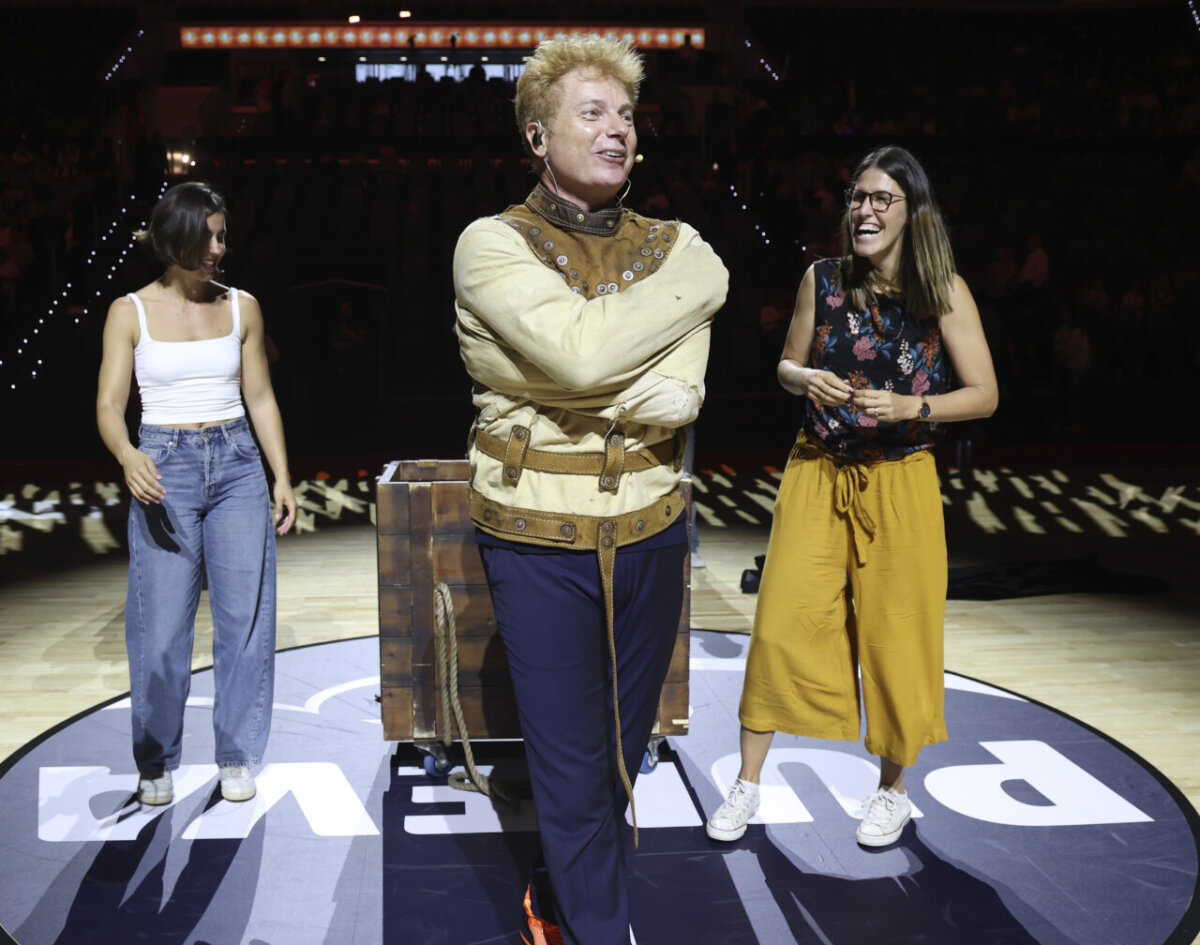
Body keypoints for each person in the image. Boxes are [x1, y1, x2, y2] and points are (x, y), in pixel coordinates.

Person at [453, 35, 728, 945]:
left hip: (651, 525)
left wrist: (574, 380)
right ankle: (600, 930)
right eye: (593, 112)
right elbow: (579, 353)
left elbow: (678, 388)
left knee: (617, 752)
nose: (619, 130)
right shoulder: (489, 243)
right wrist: (602, 366)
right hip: (538, 534)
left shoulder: (684, 245)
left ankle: (560, 892)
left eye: (627, 115)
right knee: (570, 763)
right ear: (538, 135)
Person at [706, 146, 997, 849]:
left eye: (881, 199)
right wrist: (804, 380)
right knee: (779, 623)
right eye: (858, 198)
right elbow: (786, 363)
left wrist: (913, 407)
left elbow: (984, 395)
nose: (864, 210)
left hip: (901, 481)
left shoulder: (943, 289)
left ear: (910, 212)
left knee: (897, 640)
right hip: (817, 468)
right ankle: (747, 782)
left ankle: (892, 792)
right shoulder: (822, 278)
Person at [96, 181, 295, 807]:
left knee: (244, 621)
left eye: (222, 234)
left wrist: (280, 474)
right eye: (208, 236)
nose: (220, 247)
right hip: (164, 470)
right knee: (159, 631)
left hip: (236, 465)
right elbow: (107, 405)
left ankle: (236, 757)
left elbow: (259, 396)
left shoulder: (244, 307)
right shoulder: (128, 311)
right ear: (176, 239)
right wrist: (128, 455)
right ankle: (155, 759)